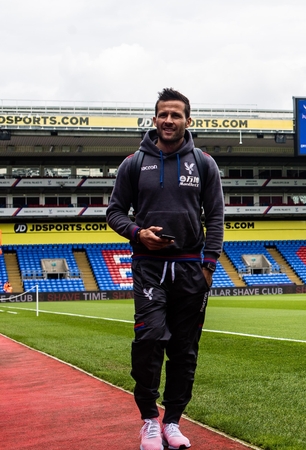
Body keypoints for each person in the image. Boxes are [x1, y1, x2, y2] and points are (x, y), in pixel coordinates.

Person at [106, 88, 224, 450]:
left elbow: (216, 217)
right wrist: (138, 233)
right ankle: (148, 421)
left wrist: (209, 266)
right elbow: (113, 212)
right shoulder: (133, 163)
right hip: (149, 268)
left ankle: (172, 421)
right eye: (163, 114)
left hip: (190, 269)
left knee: (185, 350)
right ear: (154, 119)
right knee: (149, 340)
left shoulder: (203, 163)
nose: (169, 120)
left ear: (188, 120)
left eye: (176, 115)